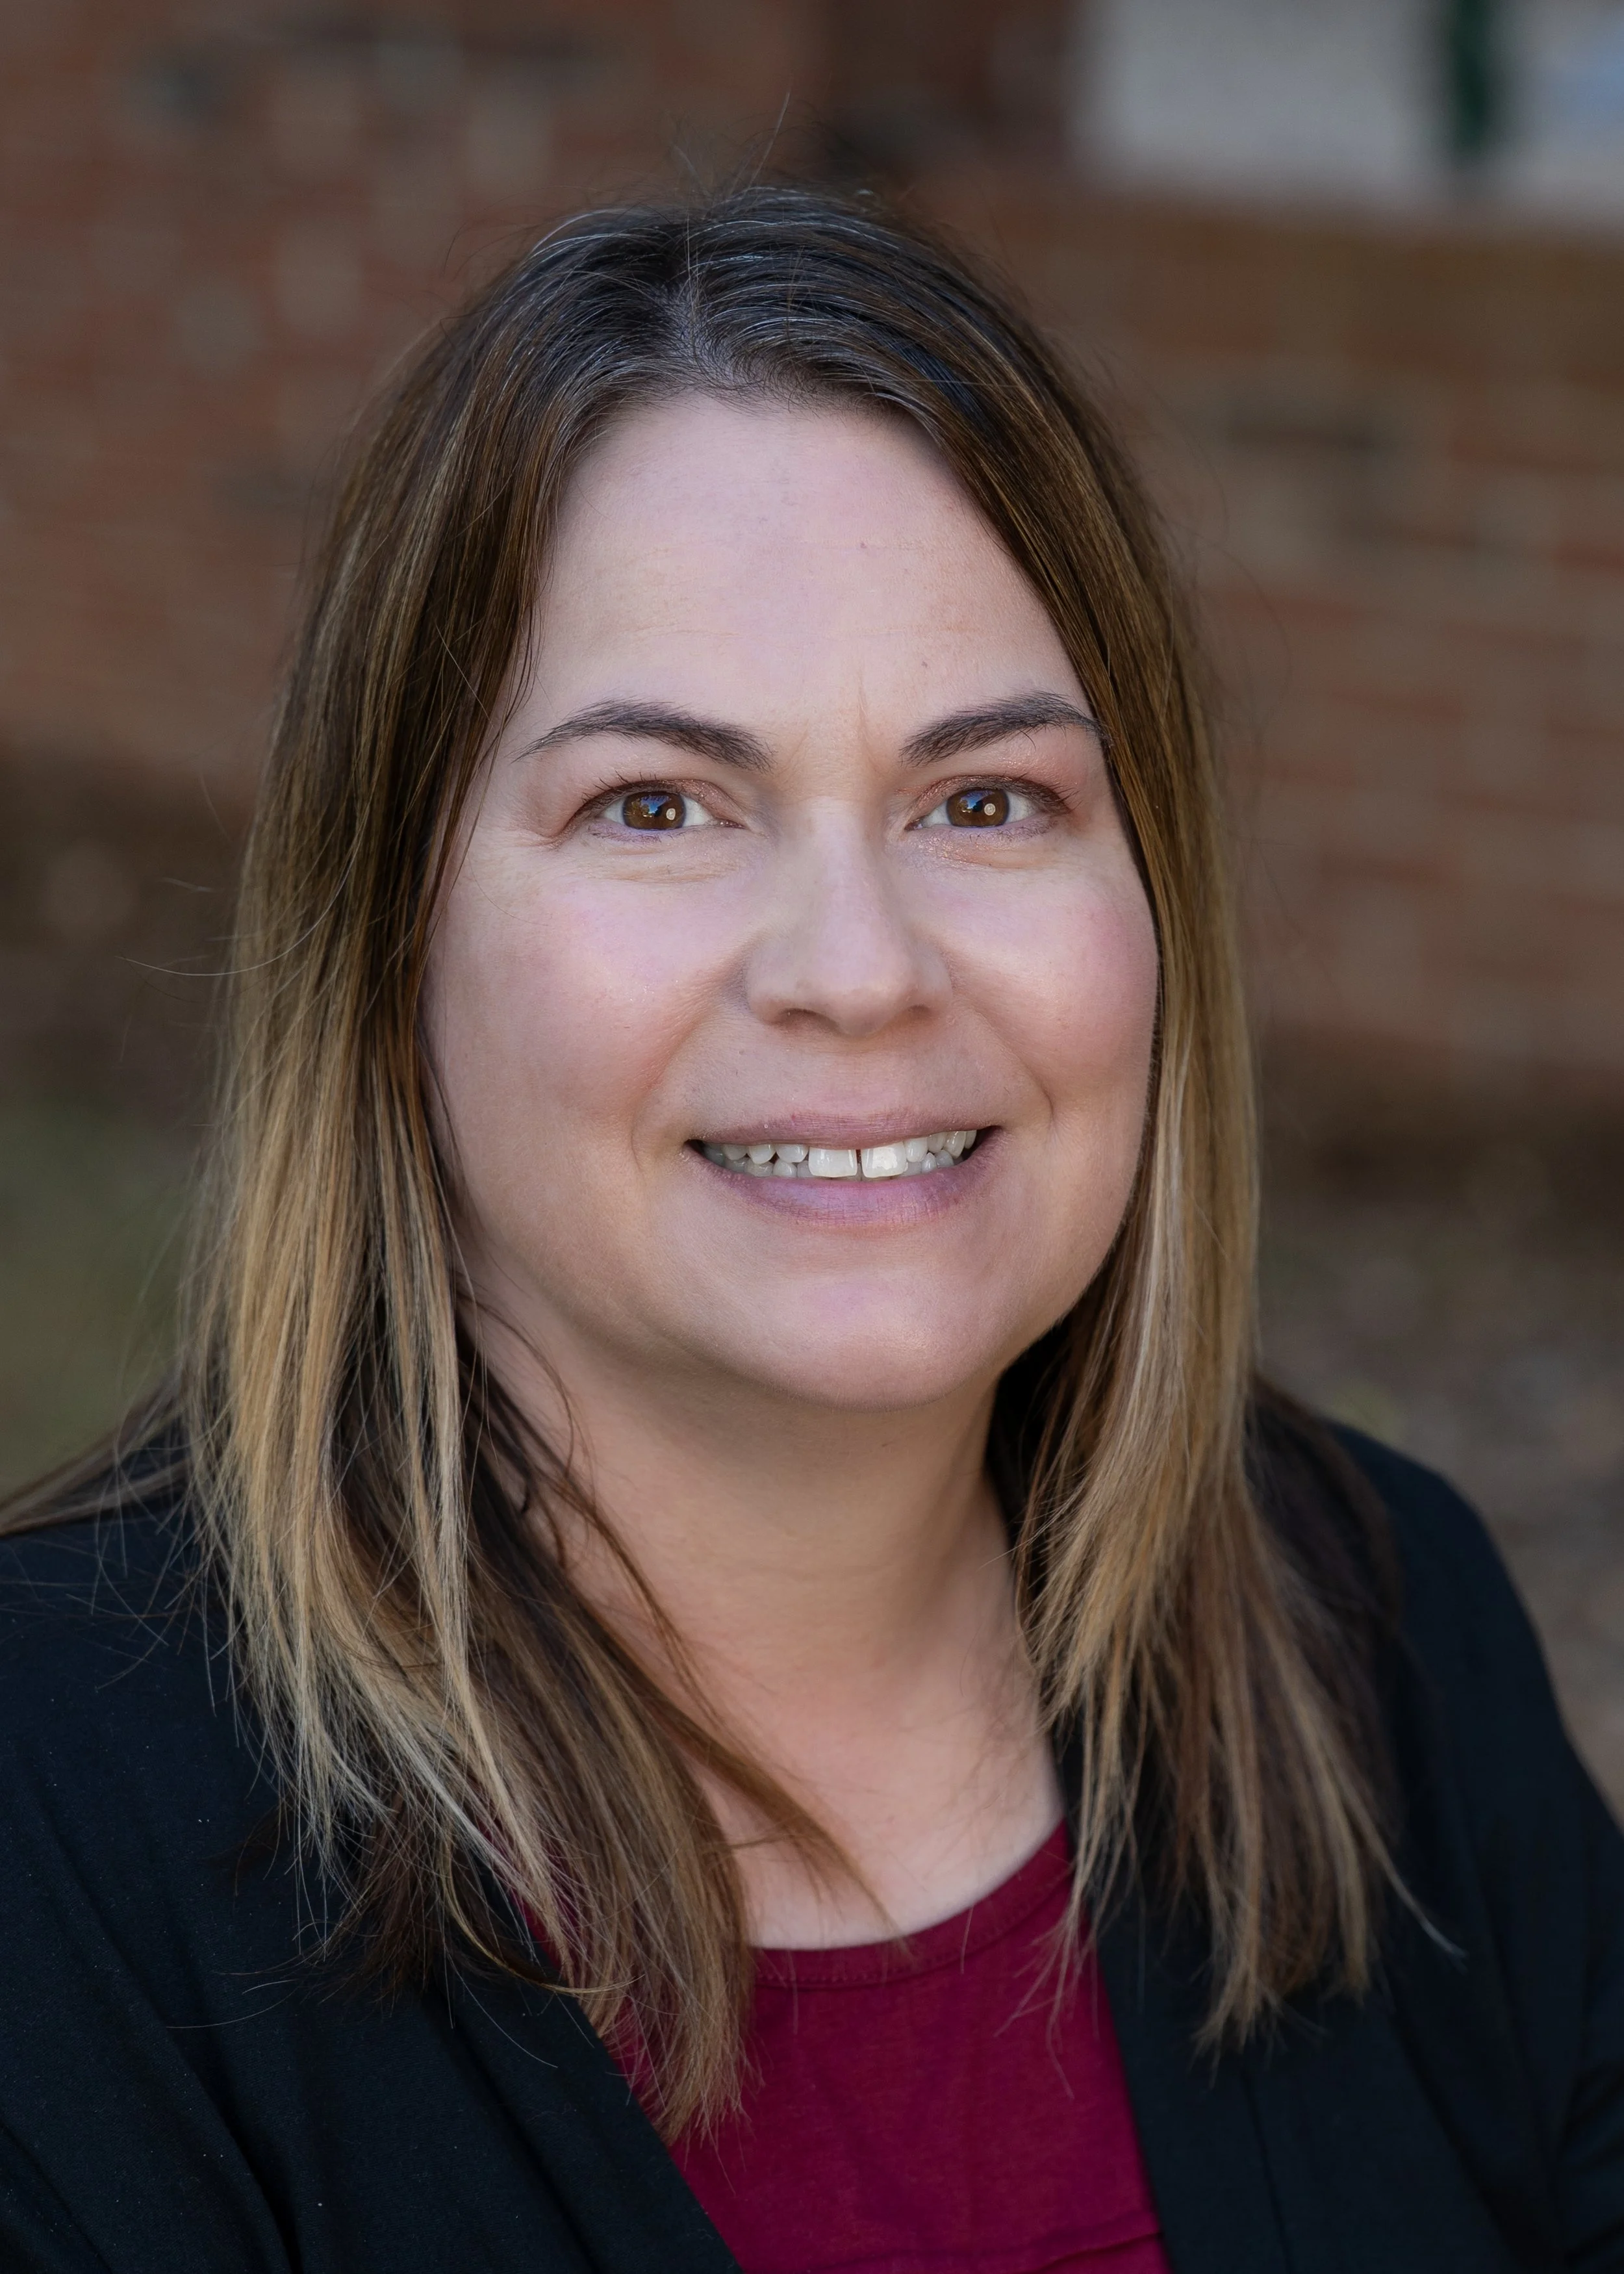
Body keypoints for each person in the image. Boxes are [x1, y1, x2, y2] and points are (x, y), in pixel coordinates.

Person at [0, 184, 1619, 2274]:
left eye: (987, 801)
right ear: (391, 944)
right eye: (657, 808)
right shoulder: (52, 1836)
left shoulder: (1371, 1632)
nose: (856, 969)